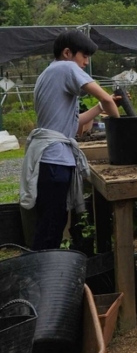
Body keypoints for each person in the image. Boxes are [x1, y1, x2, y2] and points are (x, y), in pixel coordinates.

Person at [20, 31, 120, 249]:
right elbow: (103, 96)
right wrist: (121, 124)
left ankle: (44, 270)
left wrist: (101, 108)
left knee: (51, 223)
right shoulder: (66, 67)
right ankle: (44, 273)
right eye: (84, 56)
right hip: (54, 159)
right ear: (67, 53)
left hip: (50, 158)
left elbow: (74, 125)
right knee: (51, 225)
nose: (86, 62)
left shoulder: (49, 73)